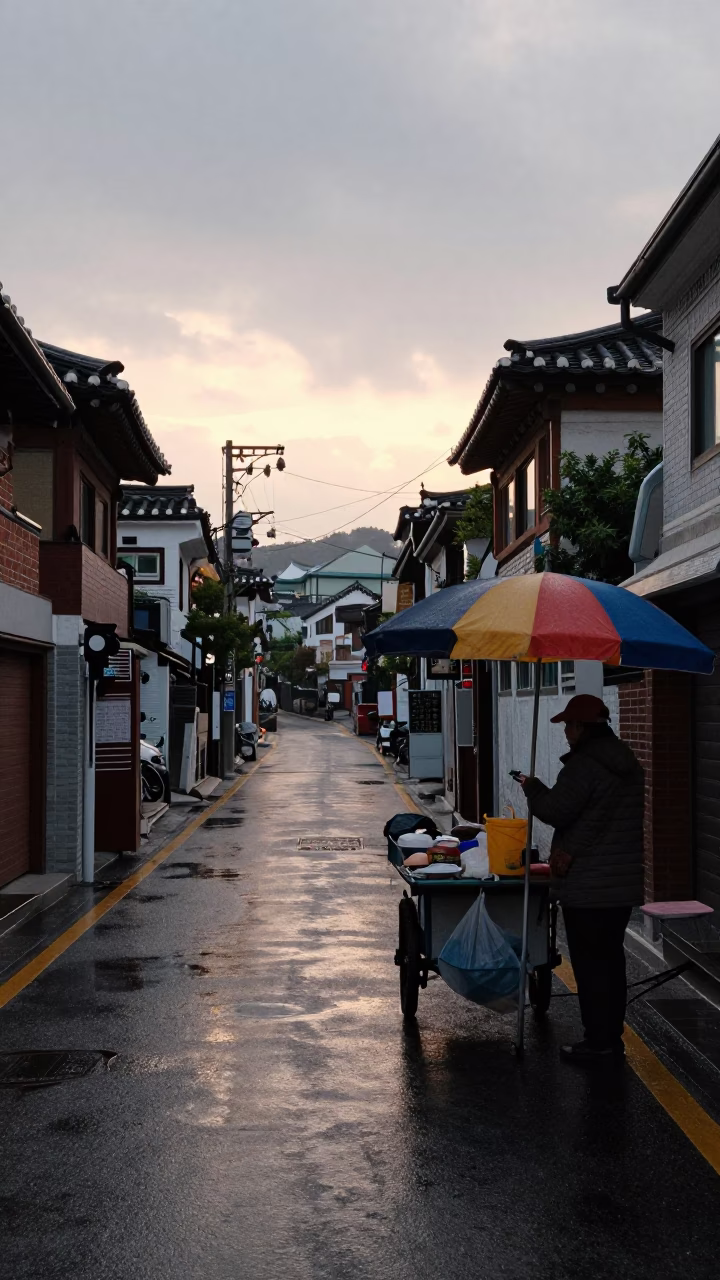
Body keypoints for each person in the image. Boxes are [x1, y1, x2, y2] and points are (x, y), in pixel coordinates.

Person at [517, 694, 644, 1066]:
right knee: (610, 962)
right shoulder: (628, 763)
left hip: (588, 885)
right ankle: (610, 1038)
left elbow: (557, 811)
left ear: (583, 728)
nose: (566, 733)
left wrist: (533, 788)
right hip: (619, 886)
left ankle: (598, 1042)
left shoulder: (584, 766)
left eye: (569, 726)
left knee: (590, 968)